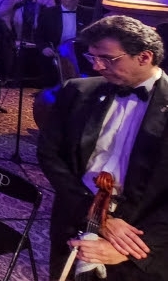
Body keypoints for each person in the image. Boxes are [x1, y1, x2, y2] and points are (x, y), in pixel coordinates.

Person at [38, 15, 168, 281]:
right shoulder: (77, 91)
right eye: (92, 57)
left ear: (144, 57)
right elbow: (50, 154)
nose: (96, 66)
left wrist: (132, 249)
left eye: (107, 59)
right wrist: (91, 211)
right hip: (75, 215)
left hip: (138, 237)